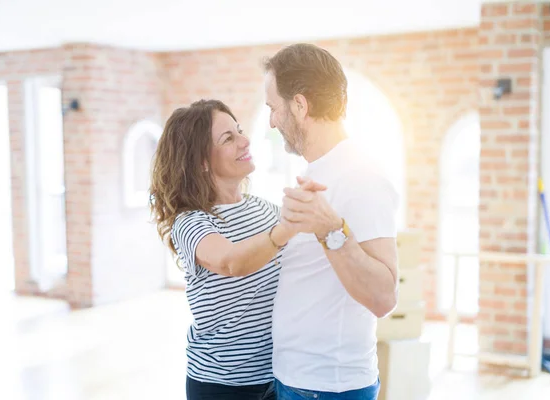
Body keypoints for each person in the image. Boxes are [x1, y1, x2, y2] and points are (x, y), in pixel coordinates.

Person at [149, 99, 324, 400]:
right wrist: (288, 227)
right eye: (228, 138)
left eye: (239, 131)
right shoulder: (191, 222)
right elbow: (231, 262)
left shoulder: (266, 211)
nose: (245, 141)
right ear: (201, 161)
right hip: (220, 385)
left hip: (274, 377)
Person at [263, 43, 400, 399]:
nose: (271, 121)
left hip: (327, 388)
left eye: (273, 109)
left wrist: (330, 229)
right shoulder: (319, 171)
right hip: (297, 381)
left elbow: (384, 297)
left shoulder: (362, 177)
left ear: (299, 105)